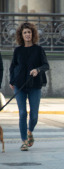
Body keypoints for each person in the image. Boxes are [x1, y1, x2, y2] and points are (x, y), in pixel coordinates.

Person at [9, 22, 49, 151]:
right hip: (19, 85)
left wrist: (37, 70)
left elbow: (46, 65)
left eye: (29, 32)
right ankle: (24, 141)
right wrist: (11, 81)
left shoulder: (38, 50)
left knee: (34, 115)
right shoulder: (18, 50)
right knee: (22, 113)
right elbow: (12, 66)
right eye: (25, 32)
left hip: (34, 85)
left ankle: (30, 131)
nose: (27, 34)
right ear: (21, 35)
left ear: (33, 34)